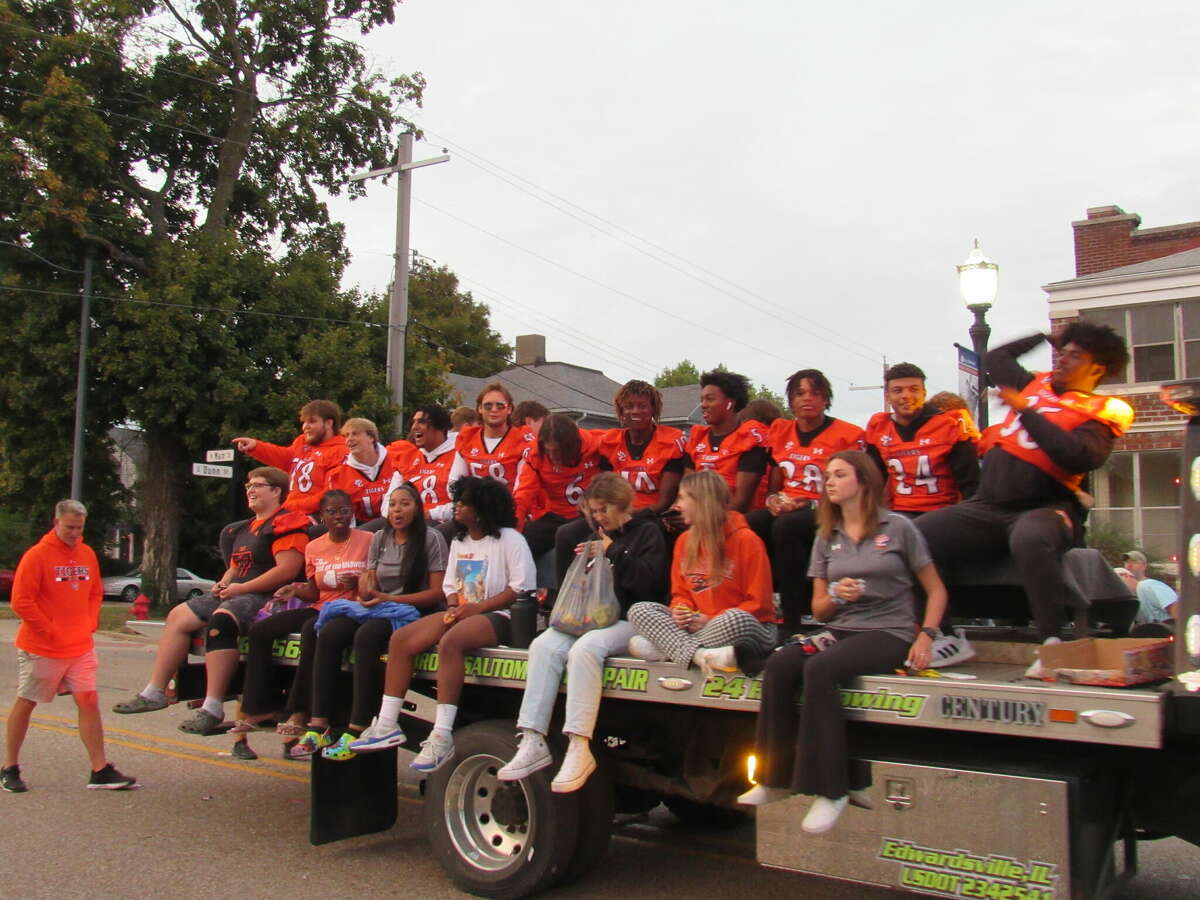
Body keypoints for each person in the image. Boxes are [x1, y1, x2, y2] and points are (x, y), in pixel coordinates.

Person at [737, 450, 948, 835]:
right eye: (826, 476)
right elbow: (820, 611)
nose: (828, 482)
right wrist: (837, 595)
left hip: (890, 632)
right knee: (781, 664)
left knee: (820, 669)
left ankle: (833, 788)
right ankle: (774, 778)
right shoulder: (825, 537)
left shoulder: (898, 528)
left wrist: (926, 636)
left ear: (863, 481)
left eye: (838, 474)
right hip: (842, 629)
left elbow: (935, 591)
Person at [915, 324, 1133, 674]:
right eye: (1062, 351)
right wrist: (1042, 338)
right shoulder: (1035, 383)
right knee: (912, 537)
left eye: (1074, 354)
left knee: (1030, 536)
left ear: (1097, 368)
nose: (1062, 359)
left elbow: (1077, 456)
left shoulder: (1103, 409)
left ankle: (1051, 643)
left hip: (1044, 507)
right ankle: (943, 635)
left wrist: (1027, 412)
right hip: (987, 507)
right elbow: (995, 359)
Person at [350, 476, 536, 772]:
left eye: (463, 502)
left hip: (500, 615)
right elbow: (450, 585)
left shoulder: (510, 539)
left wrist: (476, 608)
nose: (456, 507)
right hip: (462, 611)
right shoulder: (459, 541)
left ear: (482, 507)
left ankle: (441, 734)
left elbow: (521, 588)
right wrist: (452, 606)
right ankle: (386, 724)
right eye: (456, 501)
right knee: (401, 640)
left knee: (451, 642)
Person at [497, 473, 668, 792]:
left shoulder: (648, 531)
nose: (598, 517)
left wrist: (612, 551)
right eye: (594, 511)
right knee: (544, 645)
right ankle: (532, 737)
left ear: (621, 504)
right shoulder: (595, 535)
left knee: (585, 650)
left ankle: (579, 743)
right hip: (592, 614)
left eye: (603, 510)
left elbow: (650, 583)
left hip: (631, 617)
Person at [112, 467, 310, 732]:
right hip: (238, 590)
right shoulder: (242, 529)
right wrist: (224, 583)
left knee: (221, 622)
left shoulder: (288, 524)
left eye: (258, 485)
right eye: (248, 485)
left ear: (276, 491)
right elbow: (237, 566)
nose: (250, 490)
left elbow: (285, 570)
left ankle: (212, 706)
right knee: (178, 615)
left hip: (268, 596)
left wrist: (240, 589)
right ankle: (155, 691)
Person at [286, 483, 447, 760]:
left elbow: (437, 593)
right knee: (329, 631)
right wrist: (365, 589)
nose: (398, 510)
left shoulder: (431, 539)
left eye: (405, 504)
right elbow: (369, 585)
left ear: (417, 509)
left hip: (411, 612)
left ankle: (357, 727)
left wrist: (387, 598)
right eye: (393, 504)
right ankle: (318, 724)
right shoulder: (380, 538)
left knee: (367, 637)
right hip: (379, 606)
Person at [228, 490, 372, 760]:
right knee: (261, 630)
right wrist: (293, 590)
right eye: (332, 512)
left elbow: (379, 581)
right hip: (321, 606)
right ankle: (259, 706)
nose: (339, 517)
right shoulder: (314, 547)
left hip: (352, 609)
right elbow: (314, 592)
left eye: (344, 511)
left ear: (352, 513)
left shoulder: (369, 540)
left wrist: (362, 583)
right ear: (322, 516)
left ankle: (298, 712)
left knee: (311, 631)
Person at [3, 500, 136, 793]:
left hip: (79, 646)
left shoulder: (86, 553)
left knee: (88, 700)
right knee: (27, 701)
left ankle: (100, 769)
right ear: (56, 522)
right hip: (43, 647)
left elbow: (94, 592)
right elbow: (21, 601)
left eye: (79, 528)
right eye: (70, 527)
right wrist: (48, 629)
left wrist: (90, 622)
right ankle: (10, 767)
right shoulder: (37, 556)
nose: (75, 533)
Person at [627, 470, 778, 675]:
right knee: (639, 610)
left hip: (749, 628)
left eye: (682, 498)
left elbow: (759, 604)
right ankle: (699, 655)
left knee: (736, 619)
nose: (677, 505)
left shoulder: (747, 540)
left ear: (702, 501)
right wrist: (681, 610)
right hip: (698, 626)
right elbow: (680, 594)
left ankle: (667, 649)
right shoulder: (683, 541)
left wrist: (711, 618)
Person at [747, 369, 864, 634]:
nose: (807, 399)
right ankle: (757, 608)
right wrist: (774, 500)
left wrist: (808, 504)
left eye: (815, 393)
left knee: (786, 526)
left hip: (831, 508)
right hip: (790, 506)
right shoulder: (780, 431)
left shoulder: (846, 434)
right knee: (749, 524)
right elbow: (775, 483)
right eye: (800, 393)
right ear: (790, 400)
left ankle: (792, 619)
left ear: (826, 399)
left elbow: (855, 489)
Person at [557, 380, 686, 562]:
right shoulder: (611, 442)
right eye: (629, 406)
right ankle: (566, 590)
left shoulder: (670, 441)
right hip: (611, 513)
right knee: (566, 533)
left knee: (649, 533)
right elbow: (603, 488)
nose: (635, 411)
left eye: (642, 406)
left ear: (653, 409)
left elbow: (664, 502)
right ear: (621, 410)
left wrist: (626, 517)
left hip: (650, 516)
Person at [864, 363, 979, 517]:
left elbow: (971, 485)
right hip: (898, 514)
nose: (906, 395)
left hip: (942, 513)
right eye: (898, 390)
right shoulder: (879, 426)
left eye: (914, 389)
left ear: (924, 393)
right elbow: (871, 481)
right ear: (887, 396)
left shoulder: (950, 425)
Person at [512, 413, 603, 580]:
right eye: (548, 451)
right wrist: (513, 529)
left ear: (572, 446)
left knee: (566, 534)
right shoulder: (536, 456)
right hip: (556, 515)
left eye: (558, 451)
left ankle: (563, 595)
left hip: (591, 517)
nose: (553, 457)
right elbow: (524, 494)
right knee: (523, 539)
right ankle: (522, 592)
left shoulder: (597, 446)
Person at [232, 399, 347, 518]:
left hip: (317, 515)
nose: (305, 427)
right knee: (234, 531)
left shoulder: (341, 451)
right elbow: (284, 457)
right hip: (290, 511)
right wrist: (255, 446)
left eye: (312, 422)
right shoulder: (302, 443)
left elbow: (331, 494)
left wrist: (292, 507)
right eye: (304, 422)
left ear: (329, 423)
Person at [684, 370, 769, 513]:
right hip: (697, 513)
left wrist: (705, 522)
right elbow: (686, 489)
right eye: (702, 400)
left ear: (730, 403)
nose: (703, 405)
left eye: (710, 399)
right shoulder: (697, 437)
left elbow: (741, 500)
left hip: (732, 518)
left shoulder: (749, 438)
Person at [383, 405, 458, 531]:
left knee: (423, 536)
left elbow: (462, 504)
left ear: (439, 426)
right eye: (414, 422)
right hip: (405, 519)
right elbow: (389, 498)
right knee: (368, 536)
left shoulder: (458, 456)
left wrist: (431, 513)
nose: (414, 427)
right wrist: (393, 514)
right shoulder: (407, 456)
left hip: (440, 521)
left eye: (422, 422)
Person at [448, 383, 534, 491]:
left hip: (510, 505)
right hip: (474, 505)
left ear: (509, 409)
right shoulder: (467, 438)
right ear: (479, 408)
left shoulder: (522, 439)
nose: (494, 410)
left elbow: (523, 487)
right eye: (488, 406)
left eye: (500, 405)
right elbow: (453, 485)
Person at [324, 418, 395, 525]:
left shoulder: (395, 460)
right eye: (347, 435)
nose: (349, 439)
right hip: (361, 529)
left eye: (355, 434)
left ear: (371, 437)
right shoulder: (338, 475)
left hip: (397, 524)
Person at [1121, 550, 1177, 625]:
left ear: (1144, 566)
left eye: (1134, 562)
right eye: (1127, 562)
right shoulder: (1129, 593)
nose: (1129, 565)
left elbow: (1175, 608)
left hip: (1166, 632)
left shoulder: (1148, 585)